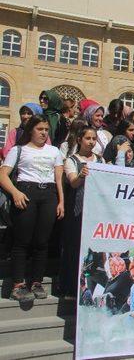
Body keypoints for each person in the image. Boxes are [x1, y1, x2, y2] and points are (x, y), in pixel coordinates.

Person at [0, 115, 64, 302]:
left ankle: (36, 281)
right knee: (22, 241)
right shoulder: (18, 150)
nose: (44, 132)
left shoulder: (54, 151)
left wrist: (61, 201)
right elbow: (3, 175)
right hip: (26, 192)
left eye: (46, 129)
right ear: (31, 130)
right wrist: (15, 193)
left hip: (49, 194)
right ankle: (18, 284)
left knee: (42, 241)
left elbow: (58, 178)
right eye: (40, 129)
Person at [61, 126, 104, 298]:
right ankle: (69, 288)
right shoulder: (71, 160)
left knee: (91, 253)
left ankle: (87, 290)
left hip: (96, 212)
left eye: (94, 139)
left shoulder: (101, 160)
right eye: (88, 138)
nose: (91, 142)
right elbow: (72, 182)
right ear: (79, 139)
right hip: (77, 211)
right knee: (73, 249)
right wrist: (81, 175)